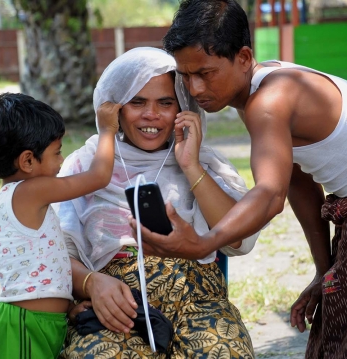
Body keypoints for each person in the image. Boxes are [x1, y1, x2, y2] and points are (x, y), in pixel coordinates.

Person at [132, 1, 347, 358]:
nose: (195, 88)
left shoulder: (269, 101)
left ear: (244, 58)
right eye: (185, 76)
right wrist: (326, 271)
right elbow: (298, 184)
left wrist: (204, 244)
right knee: (343, 325)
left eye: (206, 72)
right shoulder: (255, 98)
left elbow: (270, 194)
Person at [55, 47, 260, 358]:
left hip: (198, 301)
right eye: (137, 102)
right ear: (115, 109)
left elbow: (239, 239)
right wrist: (91, 283)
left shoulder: (205, 162)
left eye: (165, 103)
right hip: (120, 305)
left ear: (183, 108)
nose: (151, 115)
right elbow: (53, 252)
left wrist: (190, 165)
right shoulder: (86, 164)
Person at [0, 92, 120, 359]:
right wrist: (107, 131)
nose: (61, 161)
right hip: (24, 325)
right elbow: (98, 176)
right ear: (28, 161)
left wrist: (65, 307)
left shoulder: (19, 194)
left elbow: (34, 269)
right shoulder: (31, 191)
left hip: (38, 321)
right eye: (57, 153)